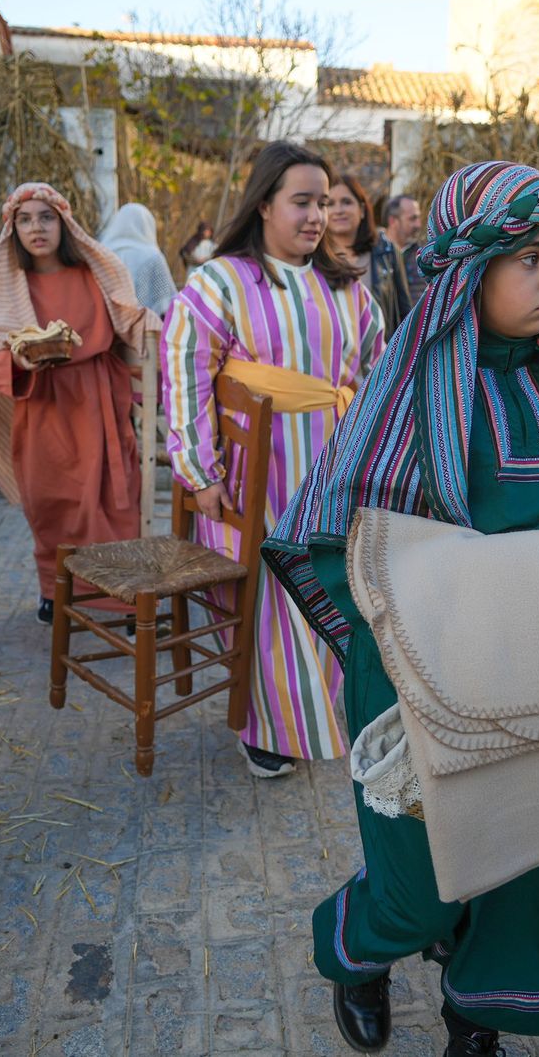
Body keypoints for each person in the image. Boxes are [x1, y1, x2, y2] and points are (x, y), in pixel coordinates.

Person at [263, 162, 539, 1055]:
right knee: (420, 883)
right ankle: (356, 953)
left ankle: (475, 1014)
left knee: (530, 862)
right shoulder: (402, 397)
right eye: (528, 257)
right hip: (420, 685)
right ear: (465, 273)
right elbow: (340, 546)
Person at [161, 141, 385, 779]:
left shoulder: (347, 289)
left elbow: (377, 371)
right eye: (302, 202)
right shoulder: (219, 282)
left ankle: (340, 714)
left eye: (323, 202)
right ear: (264, 205)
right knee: (267, 603)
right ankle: (268, 728)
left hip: (336, 473)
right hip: (255, 477)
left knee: (335, 594)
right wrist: (200, 473)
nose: (317, 215)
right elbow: (184, 372)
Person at [0, 182, 151, 622]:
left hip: (97, 399)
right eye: (25, 220)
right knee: (49, 500)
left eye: (46, 217)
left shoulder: (95, 274)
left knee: (116, 498)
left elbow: (131, 320)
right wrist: (19, 358)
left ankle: (121, 591)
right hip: (41, 405)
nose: (36, 228)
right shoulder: (4, 287)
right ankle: (55, 590)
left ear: (64, 224)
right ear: (13, 230)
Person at [327, 174, 409, 359]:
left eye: (346, 202)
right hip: (332, 365)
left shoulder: (386, 251)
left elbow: (404, 313)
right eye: (330, 203)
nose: (338, 210)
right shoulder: (312, 257)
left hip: (380, 364)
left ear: (362, 210)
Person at [99, 202, 178, 317]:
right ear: (148, 226)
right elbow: (166, 303)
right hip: (145, 328)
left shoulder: (101, 254)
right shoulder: (153, 257)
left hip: (106, 325)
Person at [385, 193, 427, 305]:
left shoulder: (425, 254)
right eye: (412, 219)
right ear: (393, 221)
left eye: (418, 218)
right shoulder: (377, 254)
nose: (418, 225)